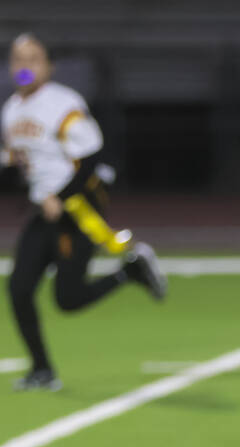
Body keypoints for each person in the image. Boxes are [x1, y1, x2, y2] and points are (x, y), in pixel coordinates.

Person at [3, 33, 165, 392]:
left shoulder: (62, 103)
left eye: (33, 59)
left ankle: (130, 272)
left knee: (68, 299)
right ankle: (42, 370)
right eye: (18, 59)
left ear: (49, 66)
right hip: (44, 210)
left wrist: (60, 196)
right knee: (17, 288)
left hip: (76, 209)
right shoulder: (11, 108)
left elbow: (92, 158)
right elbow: (22, 158)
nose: (25, 67)